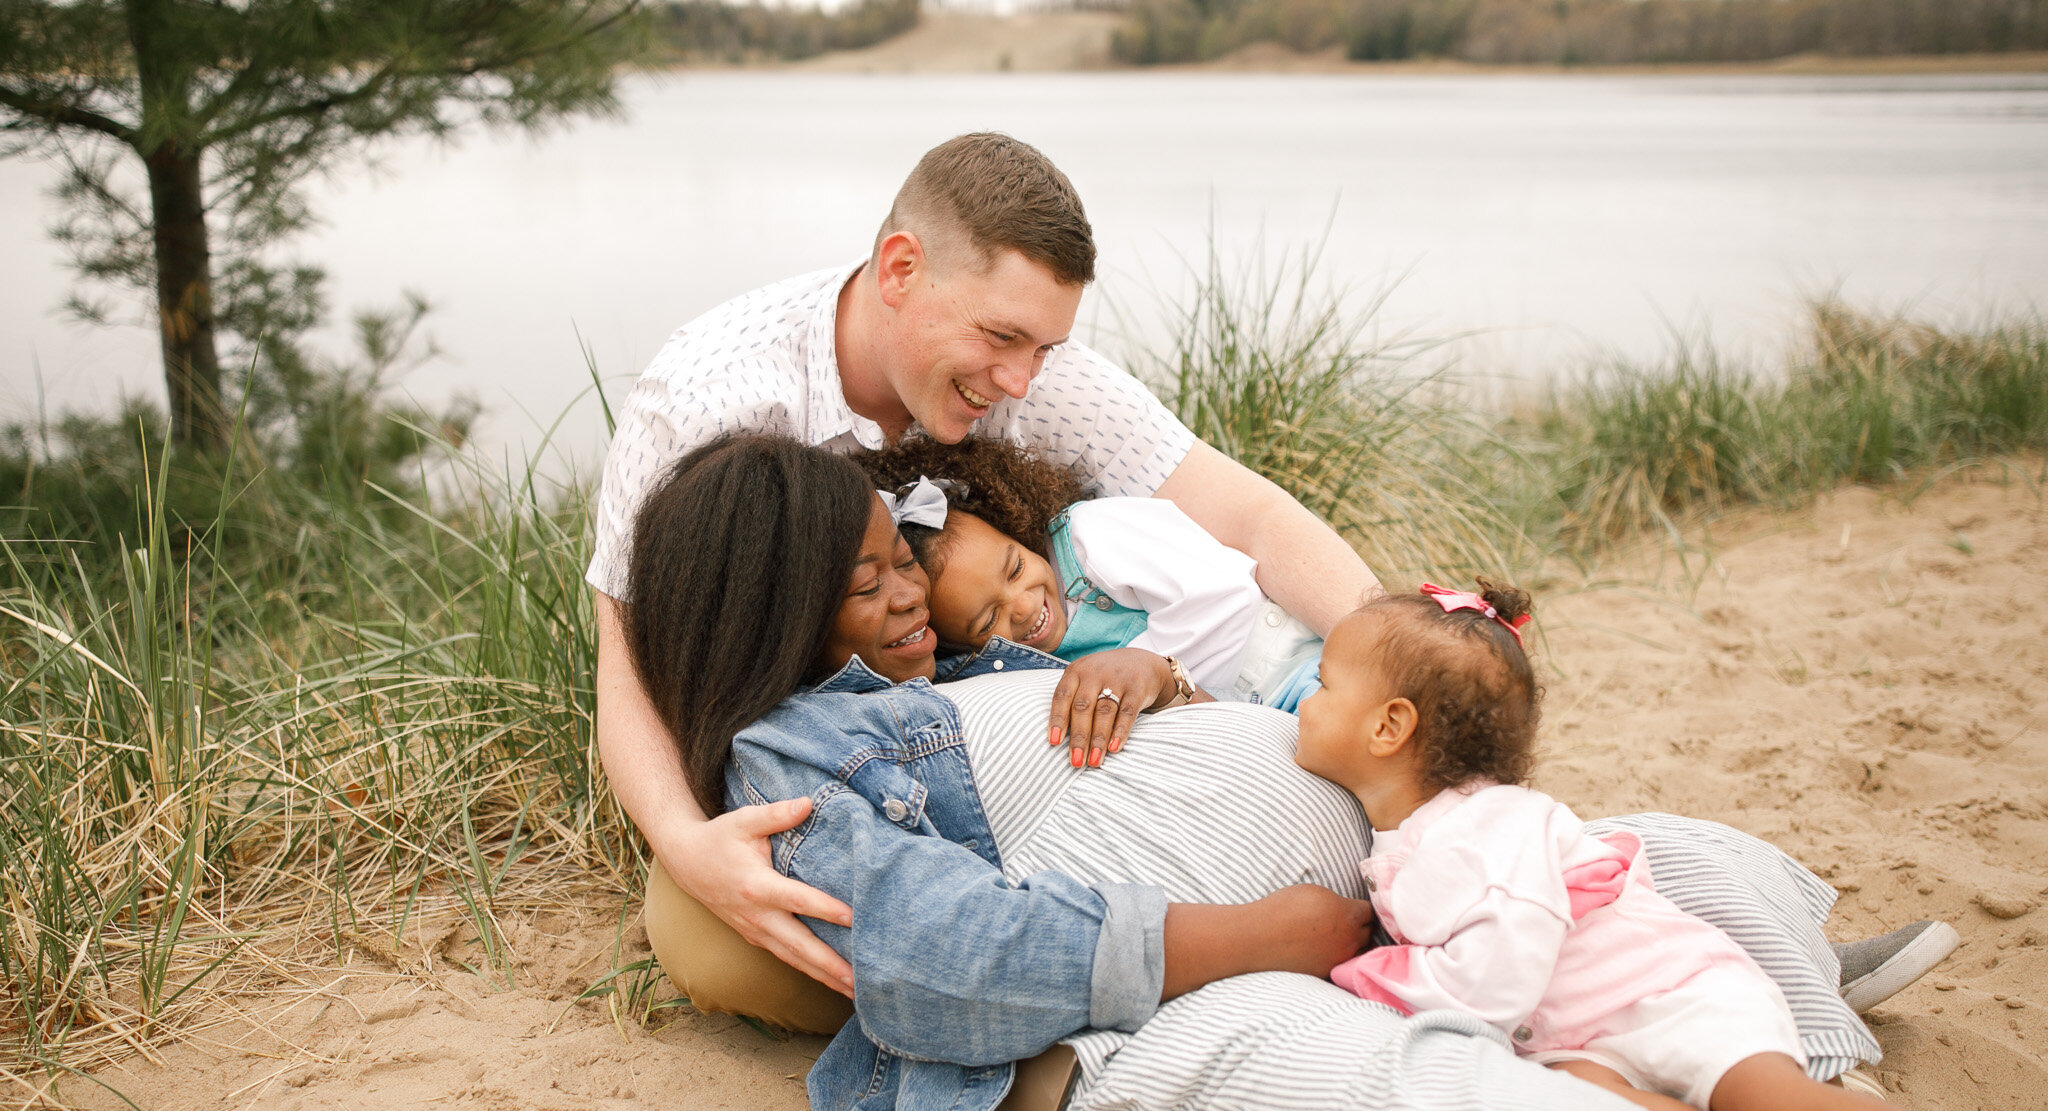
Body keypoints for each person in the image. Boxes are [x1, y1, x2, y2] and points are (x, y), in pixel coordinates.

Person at [618, 433, 2039, 1111]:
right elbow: (936, 953)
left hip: (1383, 891)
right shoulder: (791, 757)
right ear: (767, 611)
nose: (913, 592)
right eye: (869, 582)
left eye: (902, 560)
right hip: (1174, 1013)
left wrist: (1150, 674)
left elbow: (1145, 711)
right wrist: (1254, 933)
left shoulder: (975, 664)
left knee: (1680, 864)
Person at [589, 131, 1955, 1015]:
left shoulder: (1012, 367)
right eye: (1002, 339)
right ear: (900, 271)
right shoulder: (710, 395)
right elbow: (625, 660)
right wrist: (684, 843)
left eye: (1044, 352)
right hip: (826, 797)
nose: (1019, 383)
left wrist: (1392, 668)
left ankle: (1714, 957)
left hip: (1009, 724)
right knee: (714, 940)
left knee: (1371, 787)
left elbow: (1242, 511)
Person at [1296, 581, 2048, 1111]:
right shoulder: (1419, 832)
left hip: (1670, 993)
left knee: (1782, 1108)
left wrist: (1361, 972)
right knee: (1595, 1097)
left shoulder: (1488, 827)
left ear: (1391, 725)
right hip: (1584, 1037)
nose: (1304, 700)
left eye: (1322, 684)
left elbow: (1496, 979)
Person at [855, 434, 1323, 739]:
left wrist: (1140, 674)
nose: (1021, 606)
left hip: (1288, 671)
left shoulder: (1089, 539)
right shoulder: (1013, 669)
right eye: (986, 620)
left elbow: (1225, 596)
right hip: (1256, 721)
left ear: (1013, 530)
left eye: (1016, 568)